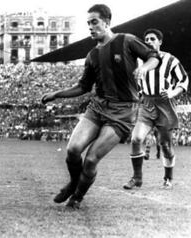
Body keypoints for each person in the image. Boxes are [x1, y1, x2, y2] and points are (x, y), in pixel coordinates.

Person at [41, 4, 160, 209]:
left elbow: (153, 56)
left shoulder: (126, 40)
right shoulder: (92, 56)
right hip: (97, 107)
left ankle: (77, 196)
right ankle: (73, 182)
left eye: (94, 22)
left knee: (91, 159)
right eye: (88, 23)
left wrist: (145, 69)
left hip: (123, 111)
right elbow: (83, 87)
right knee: (73, 150)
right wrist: (56, 94)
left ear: (107, 22)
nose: (90, 26)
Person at [123, 28, 188, 190]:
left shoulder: (170, 60)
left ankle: (168, 178)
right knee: (136, 138)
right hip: (146, 104)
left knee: (165, 145)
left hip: (165, 105)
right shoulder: (140, 62)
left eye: (153, 39)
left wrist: (172, 93)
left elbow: (183, 80)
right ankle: (137, 178)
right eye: (146, 39)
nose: (149, 42)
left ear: (160, 42)